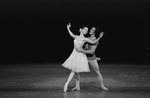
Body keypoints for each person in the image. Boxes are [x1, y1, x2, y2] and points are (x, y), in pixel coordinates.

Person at [62, 23, 101, 92]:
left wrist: (99, 37)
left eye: (87, 30)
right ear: (81, 30)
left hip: (80, 55)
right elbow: (71, 34)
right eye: (85, 29)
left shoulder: (85, 39)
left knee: (74, 70)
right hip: (74, 54)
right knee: (76, 72)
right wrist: (68, 28)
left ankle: (66, 84)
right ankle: (77, 87)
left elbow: (93, 41)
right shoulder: (76, 36)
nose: (86, 31)